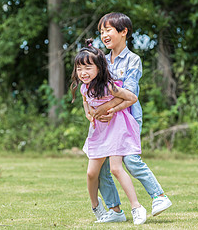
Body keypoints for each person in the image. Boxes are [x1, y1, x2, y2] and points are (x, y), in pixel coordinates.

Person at [90, 12, 172, 223]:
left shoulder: (133, 60)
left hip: (128, 116)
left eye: (108, 30)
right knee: (103, 169)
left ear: (123, 31)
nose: (104, 35)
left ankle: (159, 196)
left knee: (131, 161)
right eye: (101, 32)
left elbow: (130, 94)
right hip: (107, 121)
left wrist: (107, 107)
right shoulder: (102, 60)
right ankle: (116, 211)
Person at [70, 38, 147, 225]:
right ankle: (97, 208)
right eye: (79, 68)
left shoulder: (109, 86)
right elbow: (86, 103)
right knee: (90, 173)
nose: (83, 72)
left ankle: (137, 207)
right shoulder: (84, 88)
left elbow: (132, 98)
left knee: (115, 168)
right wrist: (89, 115)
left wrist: (112, 110)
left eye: (88, 68)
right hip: (98, 132)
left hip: (116, 129)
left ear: (99, 68)